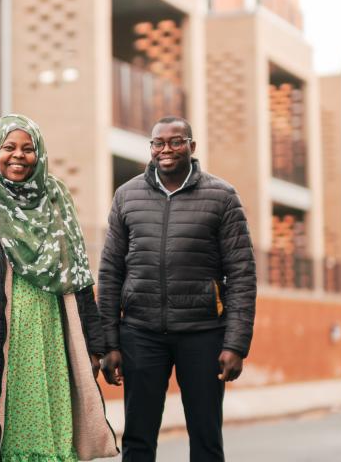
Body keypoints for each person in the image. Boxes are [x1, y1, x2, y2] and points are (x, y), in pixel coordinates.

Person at [0, 114, 118, 462]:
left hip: (53, 332)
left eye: (28, 148)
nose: (18, 156)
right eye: (9, 147)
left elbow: (79, 278)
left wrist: (95, 344)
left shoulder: (55, 199)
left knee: (52, 427)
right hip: (1, 334)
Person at [98, 116, 257, 461]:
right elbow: (110, 272)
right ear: (151, 148)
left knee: (206, 437)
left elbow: (242, 274)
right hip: (140, 334)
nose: (166, 149)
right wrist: (109, 343)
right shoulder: (127, 196)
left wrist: (236, 344)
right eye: (158, 143)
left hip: (203, 334)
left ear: (191, 146)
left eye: (175, 141)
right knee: (138, 437)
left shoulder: (222, 196)